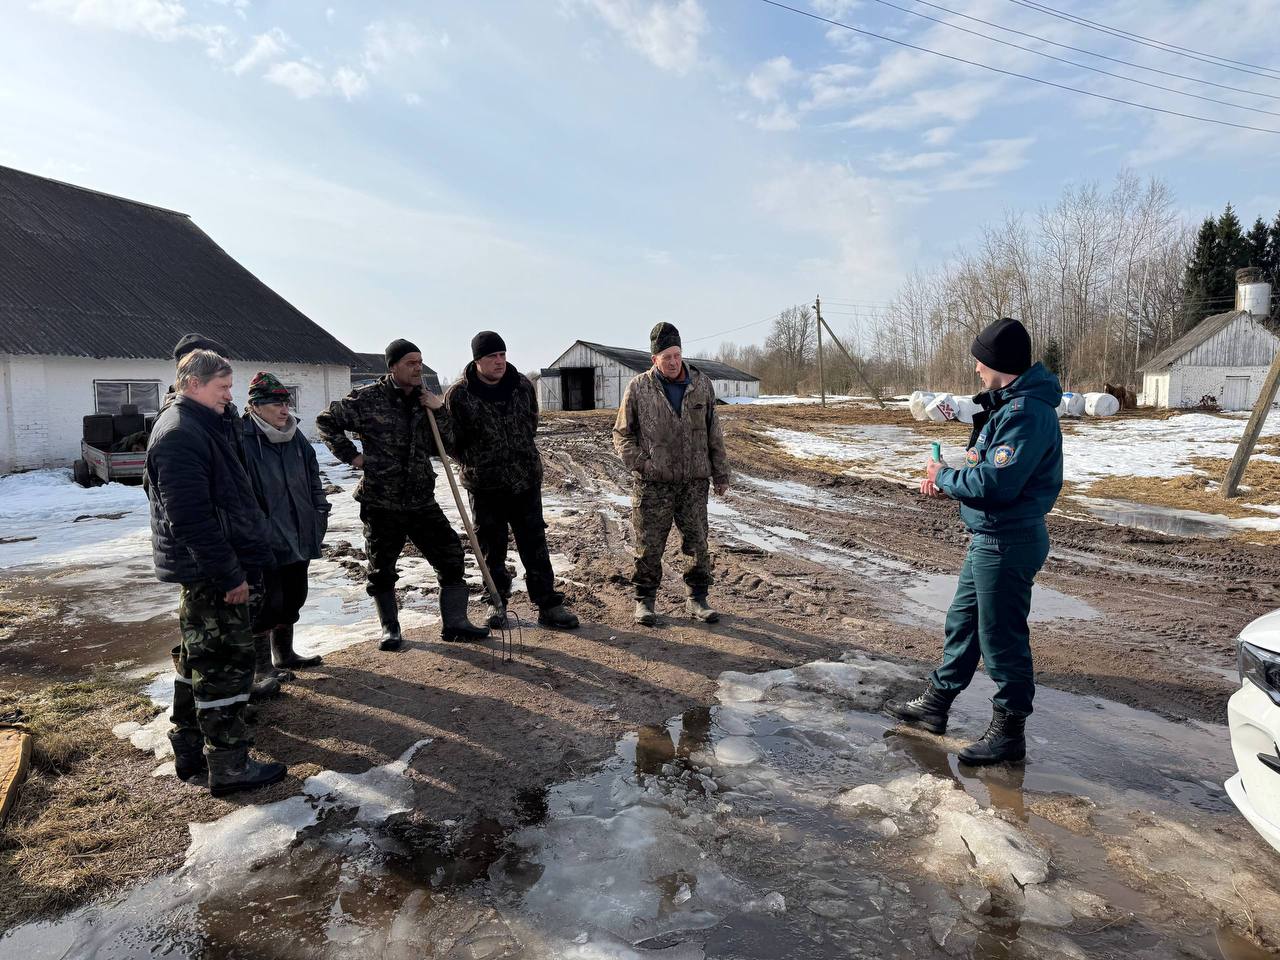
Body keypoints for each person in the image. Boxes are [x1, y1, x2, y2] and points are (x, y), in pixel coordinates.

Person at [886, 317, 1063, 765]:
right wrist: (947, 473)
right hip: (988, 536)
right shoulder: (1007, 406)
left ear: (996, 362)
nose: (976, 372)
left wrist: (945, 477)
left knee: (1001, 638)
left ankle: (1008, 735)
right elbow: (983, 464)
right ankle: (935, 706)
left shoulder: (1028, 413)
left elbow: (997, 483)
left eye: (979, 363)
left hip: (1007, 540)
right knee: (963, 623)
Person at [145, 349, 286, 795]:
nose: (231, 396)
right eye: (223, 388)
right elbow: (190, 519)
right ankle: (228, 764)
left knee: (197, 658)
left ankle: (188, 747)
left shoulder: (204, 424)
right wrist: (229, 575)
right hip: (212, 571)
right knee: (224, 665)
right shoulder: (181, 434)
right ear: (192, 385)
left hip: (214, 566)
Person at [315, 338, 488, 649]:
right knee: (382, 568)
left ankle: (456, 623)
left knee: (450, 555)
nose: (417, 368)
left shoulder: (426, 403)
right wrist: (352, 456)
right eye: (410, 363)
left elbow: (448, 445)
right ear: (392, 367)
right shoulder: (367, 399)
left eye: (420, 362)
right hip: (382, 500)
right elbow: (326, 421)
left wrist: (441, 410)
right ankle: (390, 628)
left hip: (421, 499)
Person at [443, 331, 579, 631]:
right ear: (477, 360)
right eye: (492, 356)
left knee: (535, 543)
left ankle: (548, 604)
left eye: (502, 355)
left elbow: (531, 423)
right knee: (492, 547)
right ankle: (497, 601)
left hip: (524, 480)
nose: (499, 361)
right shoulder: (459, 395)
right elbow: (451, 441)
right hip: (484, 485)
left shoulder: (521, 386)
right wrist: (478, 459)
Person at [612, 322, 731, 627]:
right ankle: (645, 601)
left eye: (677, 354)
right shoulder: (638, 388)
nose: (674, 361)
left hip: (693, 482)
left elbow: (713, 432)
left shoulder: (701, 385)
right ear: (655, 359)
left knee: (697, 543)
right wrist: (644, 464)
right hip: (654, 485)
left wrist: (721, 474)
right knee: (649, 545)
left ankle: (698, 599)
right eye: (667, 356)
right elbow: (621, 434)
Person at [240, 372, 330, 677]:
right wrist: (256, 527)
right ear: (255, 406)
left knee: (294, 596)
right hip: (264, 536)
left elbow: (314, 479)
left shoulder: (296, 437)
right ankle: (261, 669)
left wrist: (319, 510)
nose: (284, 410)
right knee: (266, 602)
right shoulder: (242, 438)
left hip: (299, 529)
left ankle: (285, 654)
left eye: (286, 403)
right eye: (276, 404)